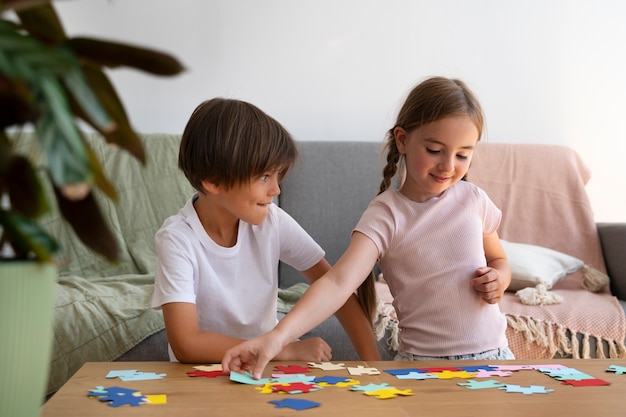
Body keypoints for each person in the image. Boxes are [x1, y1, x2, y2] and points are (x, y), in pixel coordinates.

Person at [222, 76, 514, 379]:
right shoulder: (386, 215)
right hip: (422, 366)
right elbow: (337, 283)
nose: (448, 166)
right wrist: (277, 337)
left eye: (463, 154)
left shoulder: (474, 199)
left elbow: (499, 260)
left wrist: (500, 279)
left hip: (495, 357)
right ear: (402, 139)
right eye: (435, 150)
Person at [151, 98, 380, 364]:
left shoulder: (273, 222)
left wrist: (374, 362)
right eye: (264, 177)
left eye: (277, 176)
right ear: (213, 181)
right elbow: (186, 343)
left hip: (265, 369)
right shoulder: (177, 239)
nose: (276, 190)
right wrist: (284, 350)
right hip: (203, 375)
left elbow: (336, 287)